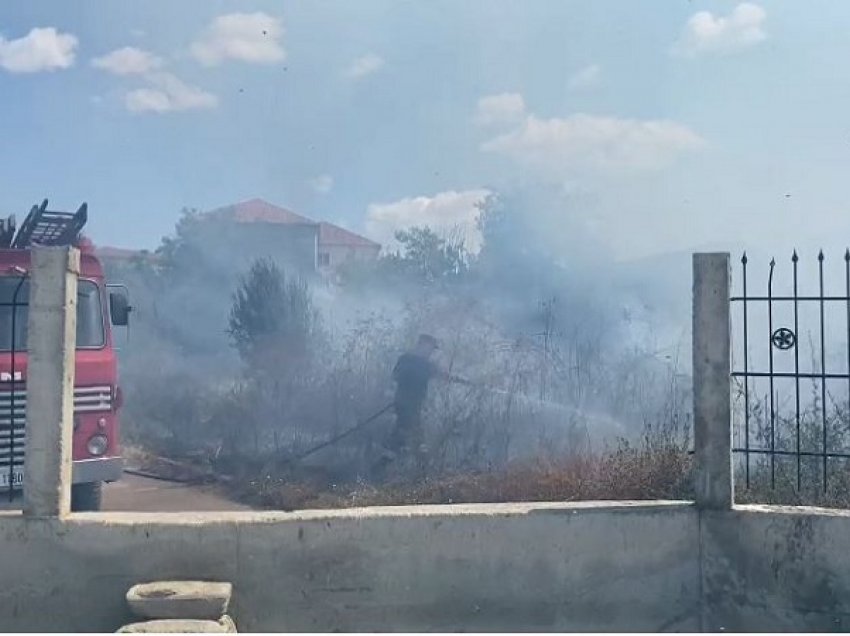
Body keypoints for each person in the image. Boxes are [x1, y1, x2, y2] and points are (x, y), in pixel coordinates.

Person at [381, 334, 468, 467]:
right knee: (412, 433)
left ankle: (393, 459)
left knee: (405, 432)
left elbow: (445, 376)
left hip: (412, 404)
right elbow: (395, 377)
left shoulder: (424, 364)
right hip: (405, 403)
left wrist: (464, 381)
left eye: (433, 349)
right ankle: (414, 463)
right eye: (430, 348)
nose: (431, 352)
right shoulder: (408, 360)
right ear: (422, 345)